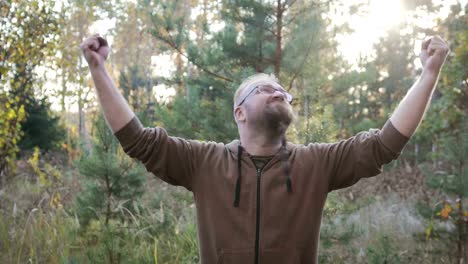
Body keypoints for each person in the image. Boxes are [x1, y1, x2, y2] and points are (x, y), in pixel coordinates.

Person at [80, 34, 449, 264]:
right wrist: (98, 70)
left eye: (283, 91)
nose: (278, 91)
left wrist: (428, 75)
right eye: (264, 89)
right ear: (238, 112)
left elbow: (385, 145)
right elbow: (139, 141)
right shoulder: (203, 162)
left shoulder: (316, 163)